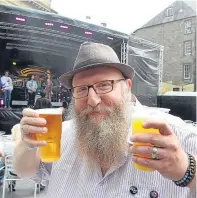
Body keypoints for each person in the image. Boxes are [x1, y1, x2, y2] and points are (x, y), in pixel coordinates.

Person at [13, 42, 196, 198]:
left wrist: (186, 170)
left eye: (104, 85)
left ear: (127, 87)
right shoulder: (62, 135)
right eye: (82, 89)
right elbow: (26, 171)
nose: (93, 100)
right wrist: (27, 144)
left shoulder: (176, 136)